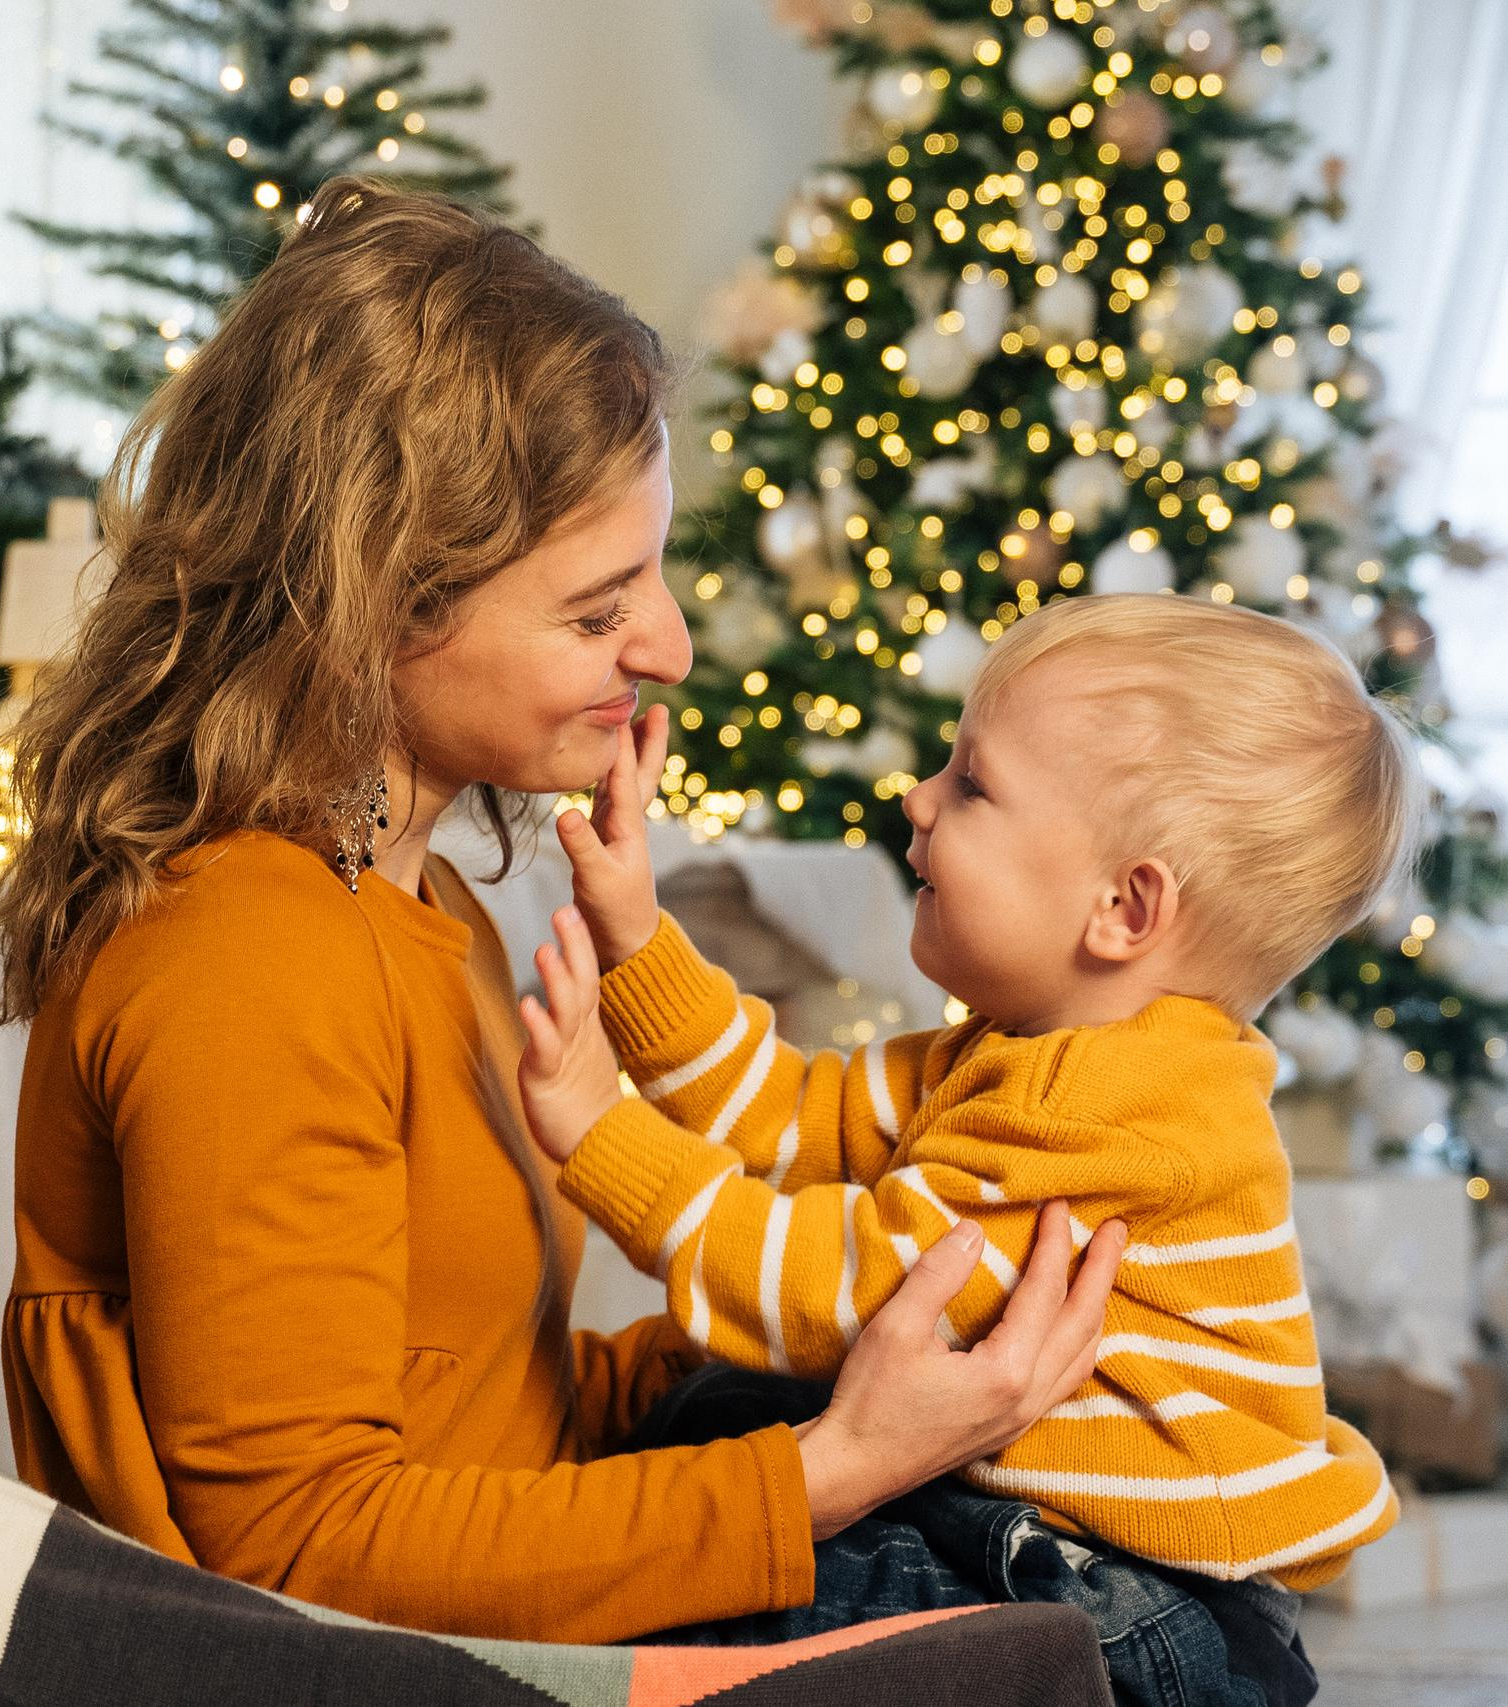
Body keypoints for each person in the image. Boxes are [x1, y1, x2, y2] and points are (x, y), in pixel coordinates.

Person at [0, 175, 1126, 1649]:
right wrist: (830, 1469)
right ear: (379, 602)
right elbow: (302, 1550)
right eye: (598, 608)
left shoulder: (423, 900)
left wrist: (848, 1335)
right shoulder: (249, 955)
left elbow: (487, 1411)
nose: (672, 644)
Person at [512, 594, 1419, 1705]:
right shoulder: (1017, 1048)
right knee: (707, 1424)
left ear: (1123, 908)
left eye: (972, 784)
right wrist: (640, 941)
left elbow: (849, 1286)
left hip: (1123, 1615)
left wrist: (607, 1139)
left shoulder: (1111, 1108)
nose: (917, 797)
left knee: (717, 1589)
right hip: (1032, 1541)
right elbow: (800, 1120)